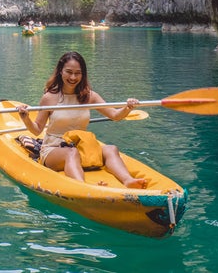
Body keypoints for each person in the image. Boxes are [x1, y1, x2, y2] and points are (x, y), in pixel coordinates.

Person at [16, 51, 148, 188]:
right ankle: (83, 187)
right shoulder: (50, 97)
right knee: (71, 153)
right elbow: (37, 130)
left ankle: (128, 180)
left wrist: (128, 107)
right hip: (53, 149)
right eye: (69, 72)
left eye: (77, 73)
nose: (73, 77)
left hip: (81, 147)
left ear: (83, 74)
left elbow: (115, 115)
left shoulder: (89, 96)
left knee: (111, 149)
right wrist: (25, 118)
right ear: (61, 71)